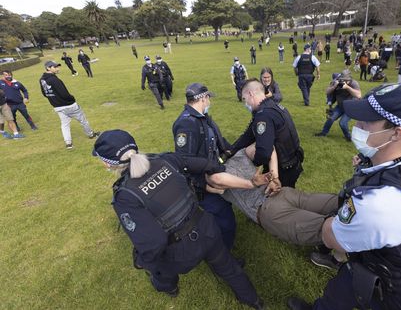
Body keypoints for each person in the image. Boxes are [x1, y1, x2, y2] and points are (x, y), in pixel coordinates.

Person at [288, 83, 401, 310]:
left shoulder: (381, 204)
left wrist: (338, 215)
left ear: (397, 133)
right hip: (395, 266)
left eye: (366, 121)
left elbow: (331, 236)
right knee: (341, 290)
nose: (357, 125)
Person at [92, 130, 265, 310]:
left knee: (159, 267)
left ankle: (169, 288)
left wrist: (142, 261)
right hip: (207, 228)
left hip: (180, 253)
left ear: (107, 163)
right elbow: (198, 163)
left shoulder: (125, 196)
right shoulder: (164, 159)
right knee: (228, 267)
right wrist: (217, 169)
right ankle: (254, 301)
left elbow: (153, 243)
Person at [172, 83, 239, 249]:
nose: (210, 101)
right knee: (224, 219)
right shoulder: (187, 124)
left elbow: (218, 141)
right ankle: (223, 255)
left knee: (222, 213)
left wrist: (234, 150)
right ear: (202, 98)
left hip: (210, 175)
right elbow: (183, 160)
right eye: (208, 97)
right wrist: (211, 166)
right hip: (200, 183)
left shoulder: (202, 117)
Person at [229, 79, 304, 188]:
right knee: (288, 198)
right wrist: (230, 150)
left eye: (245, 99)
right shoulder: (272, 105)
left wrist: (253, 161)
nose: (246, 104)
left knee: (279, 202)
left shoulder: (263, 115)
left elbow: (264, 152)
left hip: (283, 168)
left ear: (251, 94)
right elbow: (248, 135)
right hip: (293, 161)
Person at [39, 61, 99, 149]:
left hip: (57, 107)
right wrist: (72, 99)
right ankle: (91, 134)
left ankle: (68, 143)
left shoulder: (42, 79)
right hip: (69, 105)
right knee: (83, 120)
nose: (57, 68)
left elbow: (44, 93)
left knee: (65, 124)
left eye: (57, 67)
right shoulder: (54, 79)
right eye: (55, 67)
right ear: (48, 68)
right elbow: (64, 94)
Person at [314, 70, 361, 140]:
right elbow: (327, 92)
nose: (344, 81)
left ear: (349, 79)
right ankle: (323, 133)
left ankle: (348, 137)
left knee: (342, 123)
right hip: (340, 106)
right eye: (343, 80)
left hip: (351, 107)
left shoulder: (354, 83)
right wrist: (334, 86)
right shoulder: (336, 81)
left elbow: (359, 95)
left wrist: (347, 87)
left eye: (346, 80)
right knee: (330, 118)